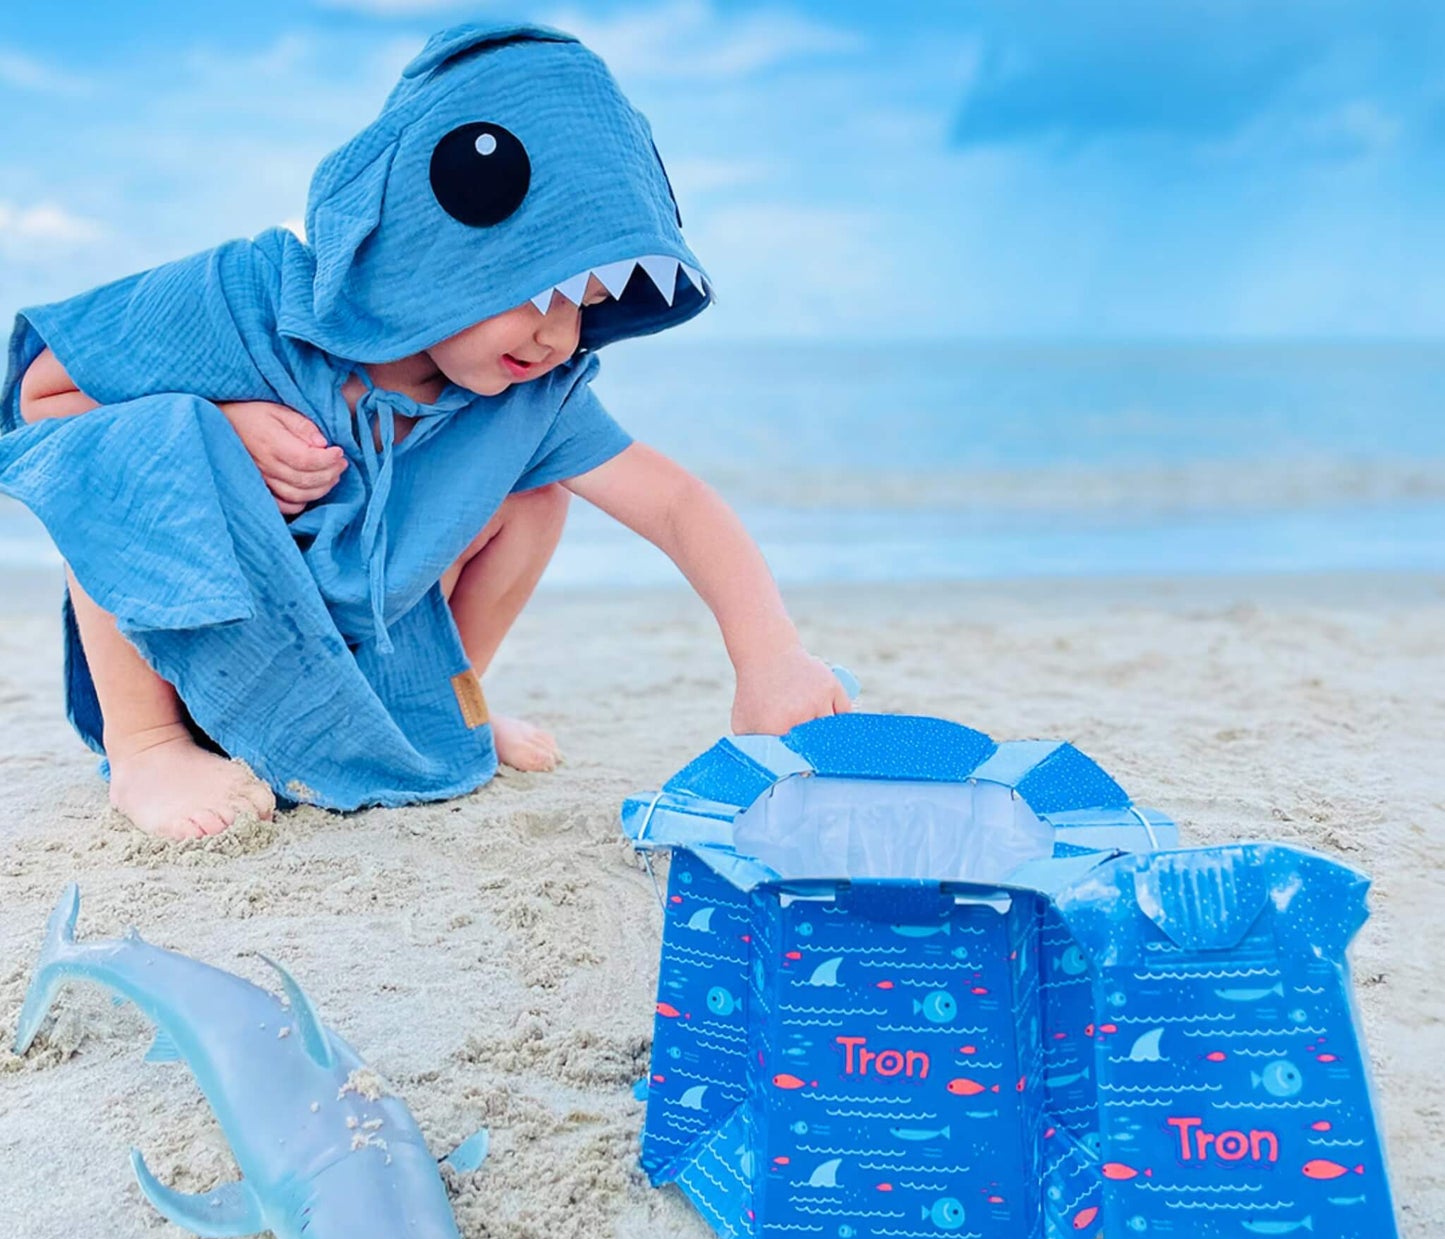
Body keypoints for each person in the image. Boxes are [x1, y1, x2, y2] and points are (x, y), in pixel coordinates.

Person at [1, 20, 851, 841]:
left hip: (362, 674)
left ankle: (453, 709)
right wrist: (216, 423)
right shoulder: (247, 301)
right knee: (126, 445)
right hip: (193, 652)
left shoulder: (531, 395)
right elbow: (44, 401)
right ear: (434, 239)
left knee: (537, 492)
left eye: (589, 308)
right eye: (541, 292)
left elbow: (673, 504)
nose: (559, 336)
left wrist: (770, 655)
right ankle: (146, 751)